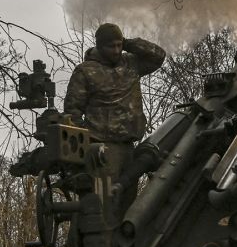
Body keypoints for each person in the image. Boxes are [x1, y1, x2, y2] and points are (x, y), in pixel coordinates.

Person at [62, 23, 166, 208]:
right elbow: (73, 112)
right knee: (103, 206)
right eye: (112, 46)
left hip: (128, 147)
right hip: (102, 149)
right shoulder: (85, 71)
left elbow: (158, 55)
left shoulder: (131, 64)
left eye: (119, 45)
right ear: (100, 46)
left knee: (127, 205)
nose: (116, 50)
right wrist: (87, 148)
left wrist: (128, 43)